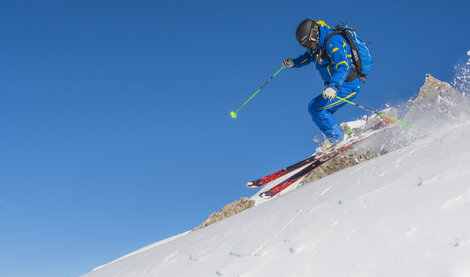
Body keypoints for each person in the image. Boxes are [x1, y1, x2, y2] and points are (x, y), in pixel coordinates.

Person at [282, 19, 363, 154]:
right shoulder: (317, 46)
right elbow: (306, 58)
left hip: (347, 85)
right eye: (304, 45)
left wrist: (334, 86)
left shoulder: (333, 42)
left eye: (308, 43)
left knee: (316, 108)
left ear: (314, 34)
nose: (309, 47)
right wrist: (294, 63)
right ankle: (339, 132)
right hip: (337, 86)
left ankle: (337, 138)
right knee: (318, 108)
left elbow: (344, 66)